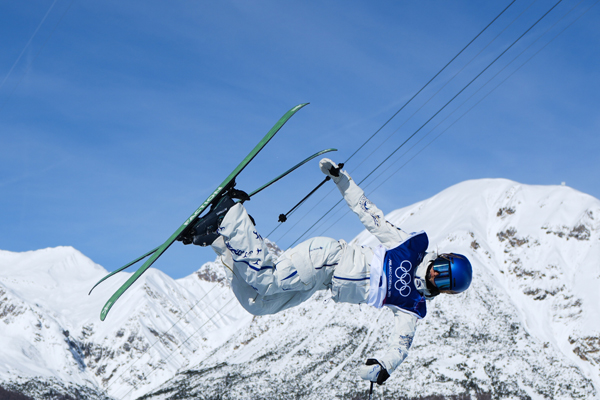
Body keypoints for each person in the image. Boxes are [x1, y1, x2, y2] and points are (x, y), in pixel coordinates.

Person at [189, 158, 473, 385]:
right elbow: (370, 214)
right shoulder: (409, 247)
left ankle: (220, 240)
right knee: (267, 281)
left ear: (446, 291)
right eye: (442, 268)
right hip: (327, 258)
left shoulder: (413, 305)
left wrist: (384, 367)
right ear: (441, 258)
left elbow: (401, 344)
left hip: (321, 283)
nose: (435, 276)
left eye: (443, 281)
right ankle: (230, 214)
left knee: (258, 304)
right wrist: (342, 180)